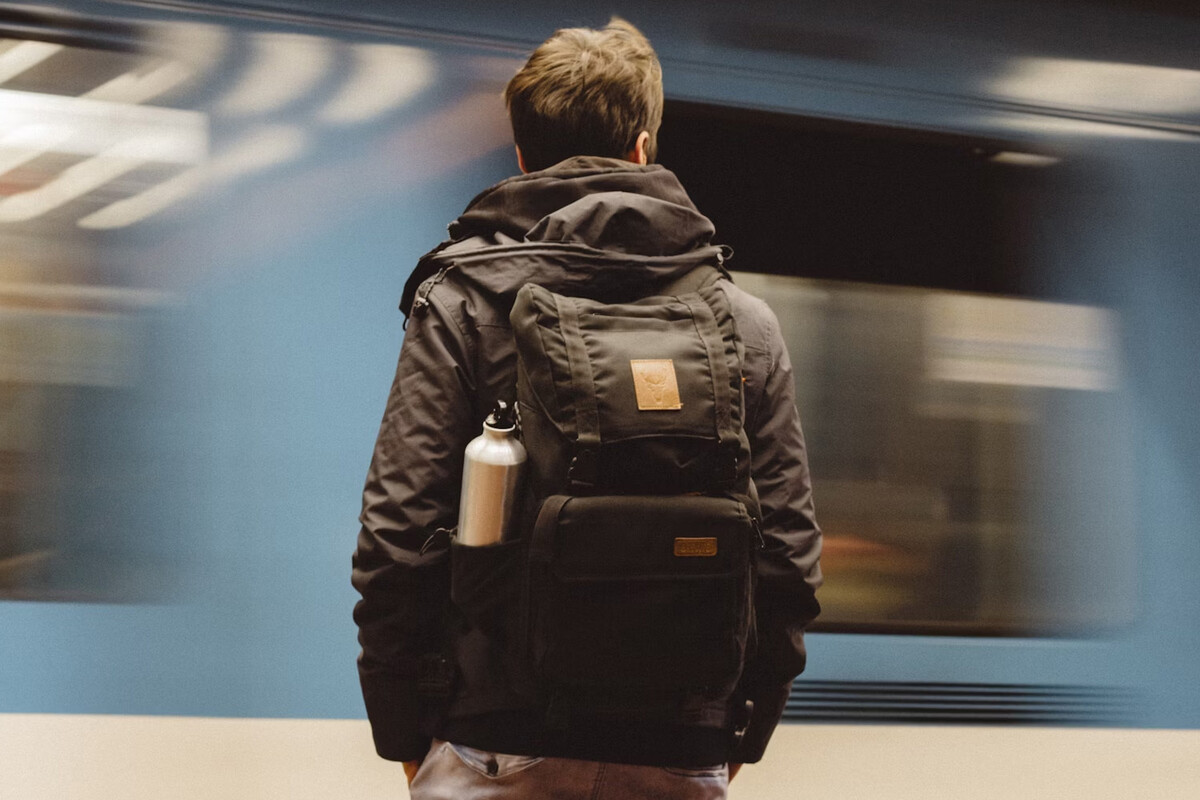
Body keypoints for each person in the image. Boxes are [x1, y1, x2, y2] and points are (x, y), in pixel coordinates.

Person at [352, 17, 821, 799]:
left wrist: (403, 733)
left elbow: (397, 537)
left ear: (522, 156)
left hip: (495, 741)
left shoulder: (462, 300)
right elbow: (789, 557)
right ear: (643, 148)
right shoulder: (746, 324)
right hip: (680, 744)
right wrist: (742, 729)